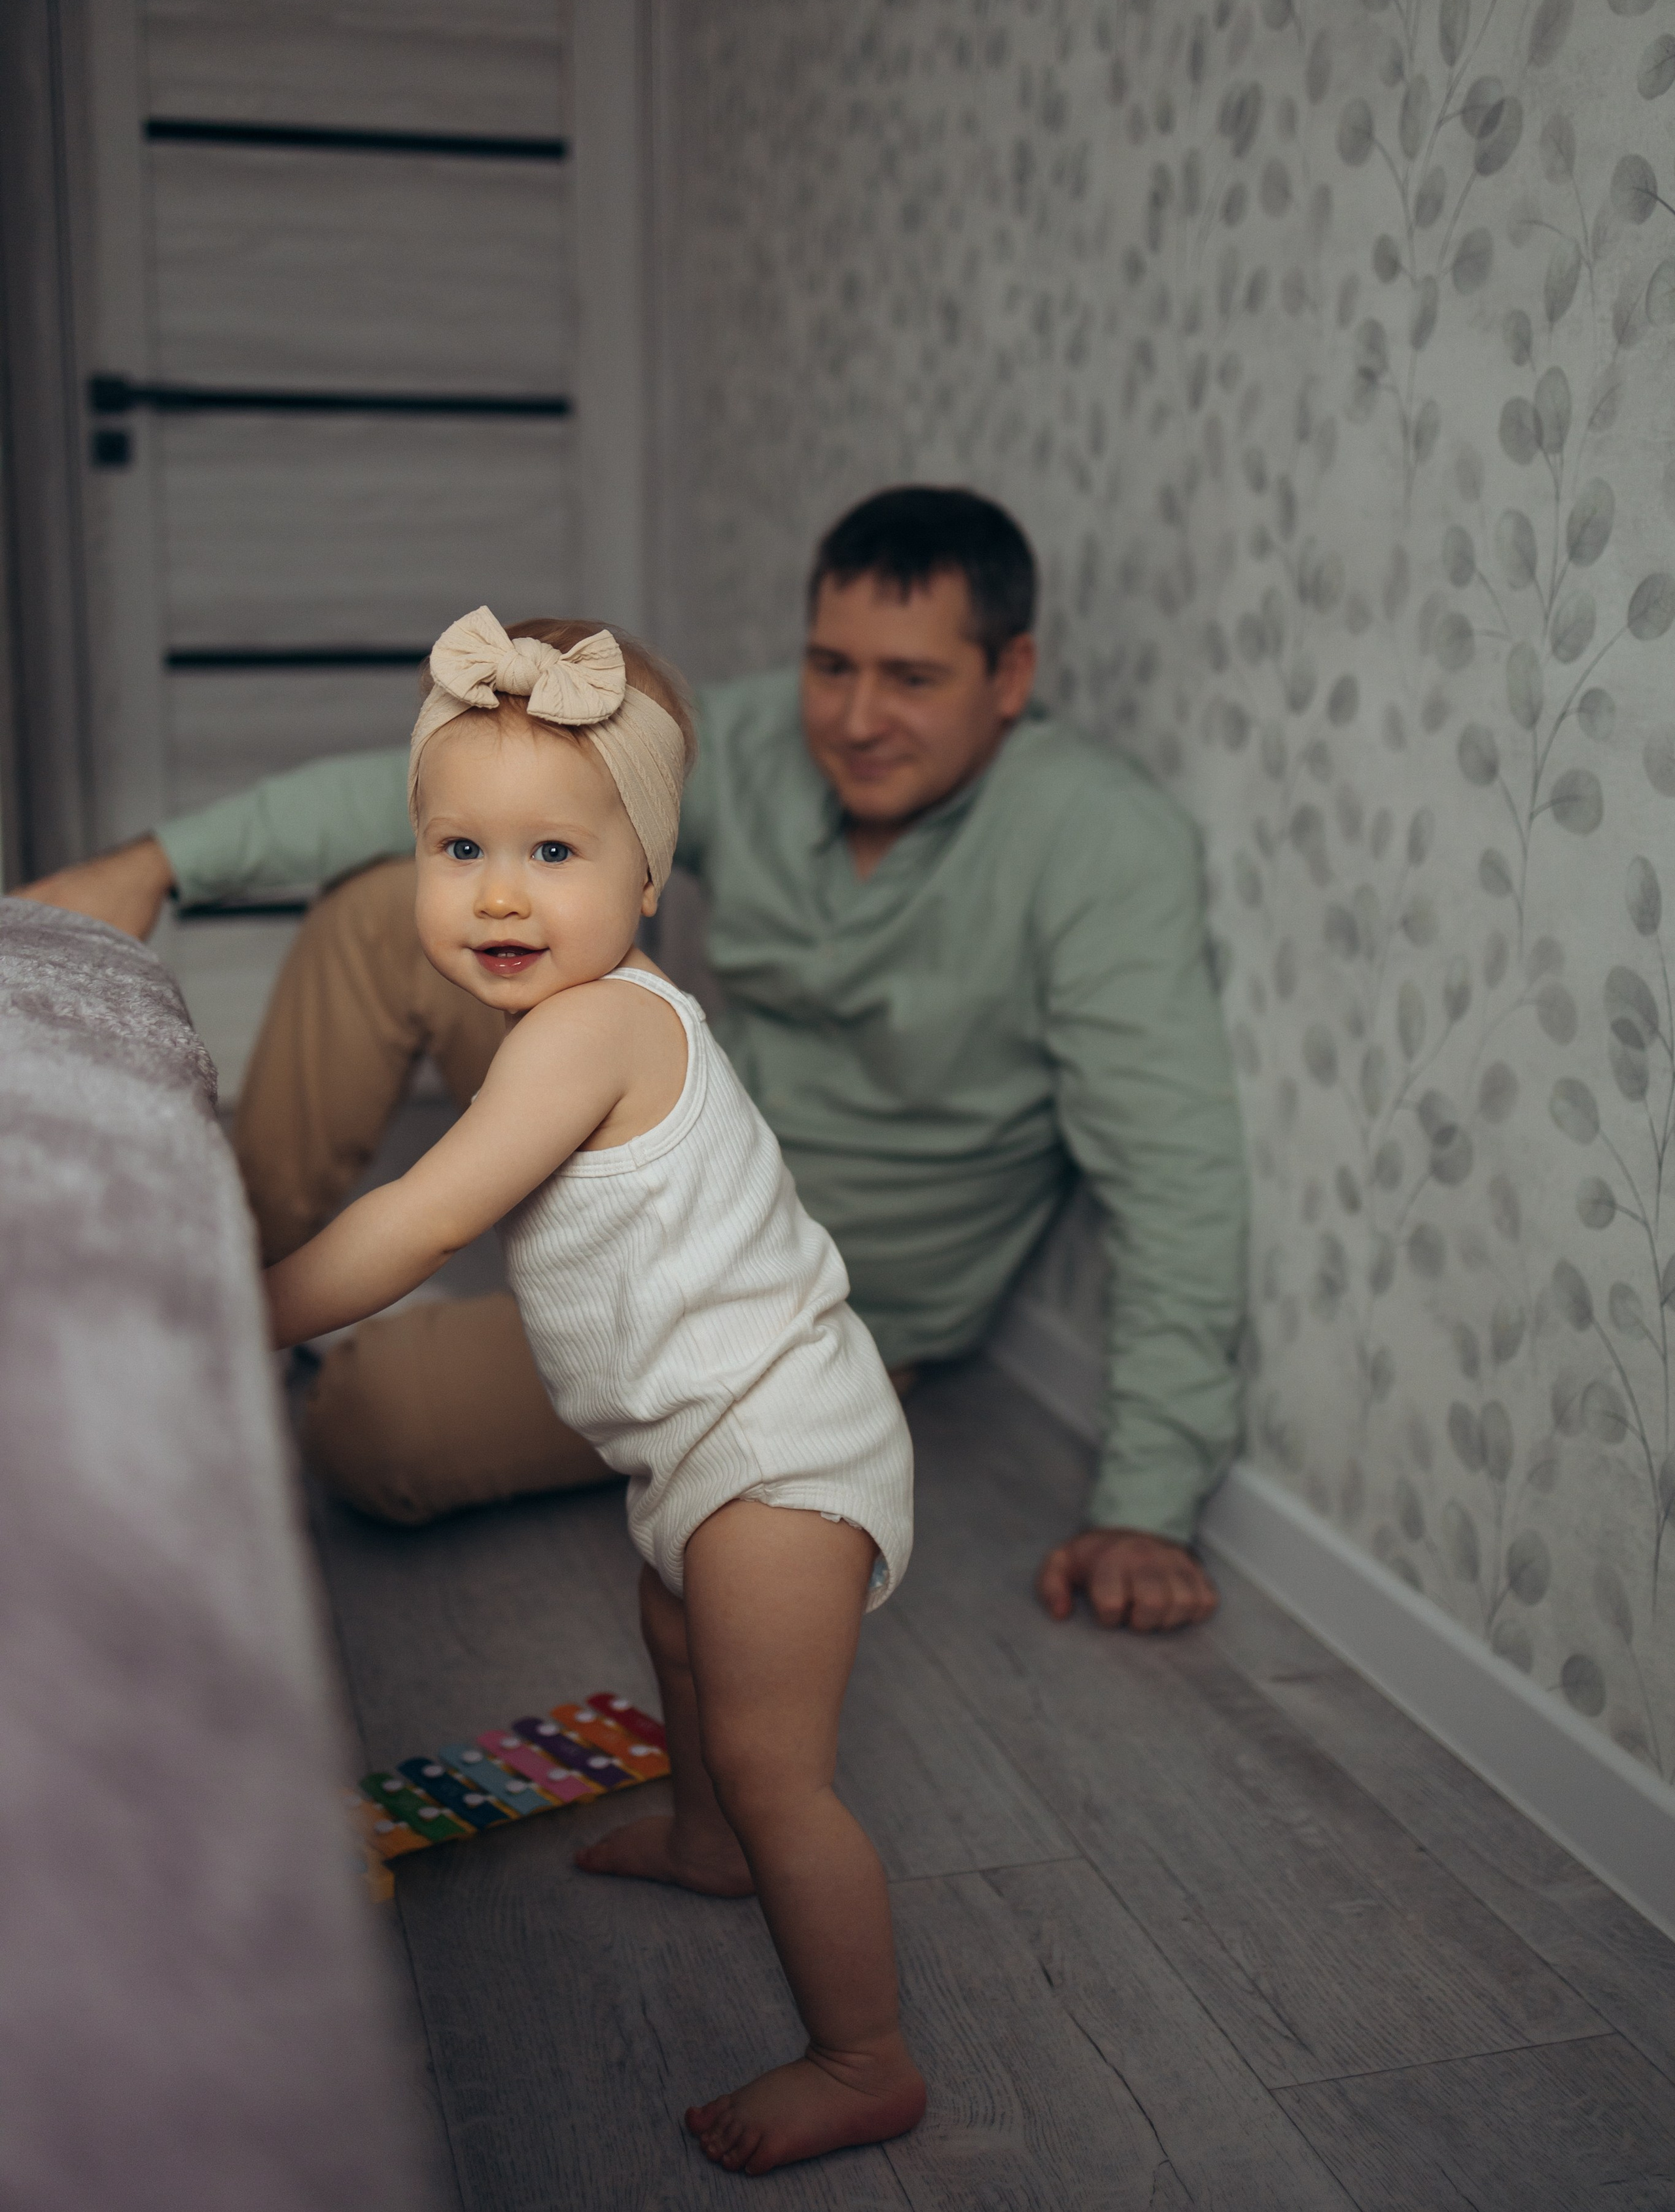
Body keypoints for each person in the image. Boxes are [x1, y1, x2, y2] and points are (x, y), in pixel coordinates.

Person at [20, 487, 1247, 1632]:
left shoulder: (1101, 841)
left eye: (912, 679)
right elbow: (443, 793)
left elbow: (1173, 1176)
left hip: (778, 1313)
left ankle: (269, 1327)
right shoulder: (763, 741)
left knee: (369, 1422)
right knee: (387, 909)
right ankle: (213, 1278)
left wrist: (1146, 1509)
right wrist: (159, 862)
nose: (859, 718)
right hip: (668, 1151)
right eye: (832, 666)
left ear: (1011, 675)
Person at [268, 608, 924, 2175]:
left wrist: (239, 1308)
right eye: (458, 848)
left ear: (645, 884)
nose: (498, 893)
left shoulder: (593, 1030)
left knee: (778, 1770)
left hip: (777, 1444)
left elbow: (421, 1219)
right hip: (695, 1438)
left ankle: (862, 2056)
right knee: (675, 1636)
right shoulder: (569, 1019)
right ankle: (703, 1843)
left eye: (553, 854)